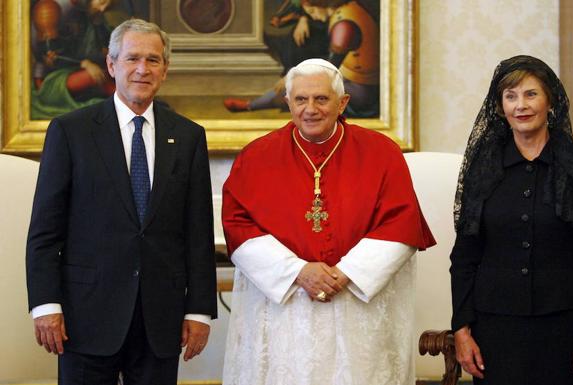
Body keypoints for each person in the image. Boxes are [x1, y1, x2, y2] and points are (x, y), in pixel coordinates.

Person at [221, 58, 435, 385]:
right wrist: (298, 271)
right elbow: (238, 223)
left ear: (342, 102)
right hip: (287, 310)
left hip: (356, 308)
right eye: (300, 99)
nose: (310, 109)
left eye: (321, 99)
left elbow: (401, 222)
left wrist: (347, 273)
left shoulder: (381, 152)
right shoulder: (257, 156)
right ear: (287, 102)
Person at [26, 19, 217, 385]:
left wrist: (199, 311)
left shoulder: (189, 136)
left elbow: (197, 232)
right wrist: (46, 305)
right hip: (84, 318)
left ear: (165, 69)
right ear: (112, 65)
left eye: (153, 60)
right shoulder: (70, 131)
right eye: (132, 59)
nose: (142, 69)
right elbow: (45, 231)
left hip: (160, 321)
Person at [450, 55, 573, 385]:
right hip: (493, 329)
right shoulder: (482, 168)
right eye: (511, 96)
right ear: (500, 106)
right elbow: (464, 258)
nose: (521, 105)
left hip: (561, 327)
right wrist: (462, 329)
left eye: (531, 94)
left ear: (550, 100)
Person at [224, 0, 379, 118]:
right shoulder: (346, 10)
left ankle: (250, 106)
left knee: (300, 86)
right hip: (351, 79)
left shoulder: (344, 26)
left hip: (361, 93)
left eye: (311, 10)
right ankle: (251, 105)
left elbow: (329, 68)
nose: (311, 15)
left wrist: (294, 74)